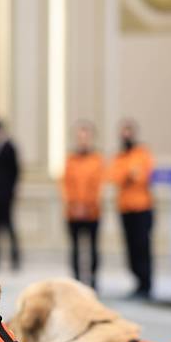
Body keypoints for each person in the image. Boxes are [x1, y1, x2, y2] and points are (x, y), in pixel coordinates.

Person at [109, 119, 155, 299]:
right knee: (130, 248)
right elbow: (115, 177)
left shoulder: (142, 153)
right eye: (123, 132)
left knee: (143, 246)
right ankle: (137, 281)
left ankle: (146, 284)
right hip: (125, 208)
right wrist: (130, 173)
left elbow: (143, 176)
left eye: (128, 131)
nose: (125, 135)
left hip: (142, 208)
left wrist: (130, 175)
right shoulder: (119, 157)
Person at [61, 122, 104, 289]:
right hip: (73, 212)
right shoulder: (70, 160)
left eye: (86, 137)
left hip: (92, 212)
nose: (83, 141)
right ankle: (77, 281)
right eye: (80, 138)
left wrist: (88, 205)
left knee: (93, 248)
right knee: (75, 249)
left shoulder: (97, 160)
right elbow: (66, 185)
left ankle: (93, 281)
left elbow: (98, 185)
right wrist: (74, 205)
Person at [0, 116, 21, 270]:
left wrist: (10, 191)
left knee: (8, 226)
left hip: (5, 194)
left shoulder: (8, 146)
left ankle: (15, 258)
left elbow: (15, 171)